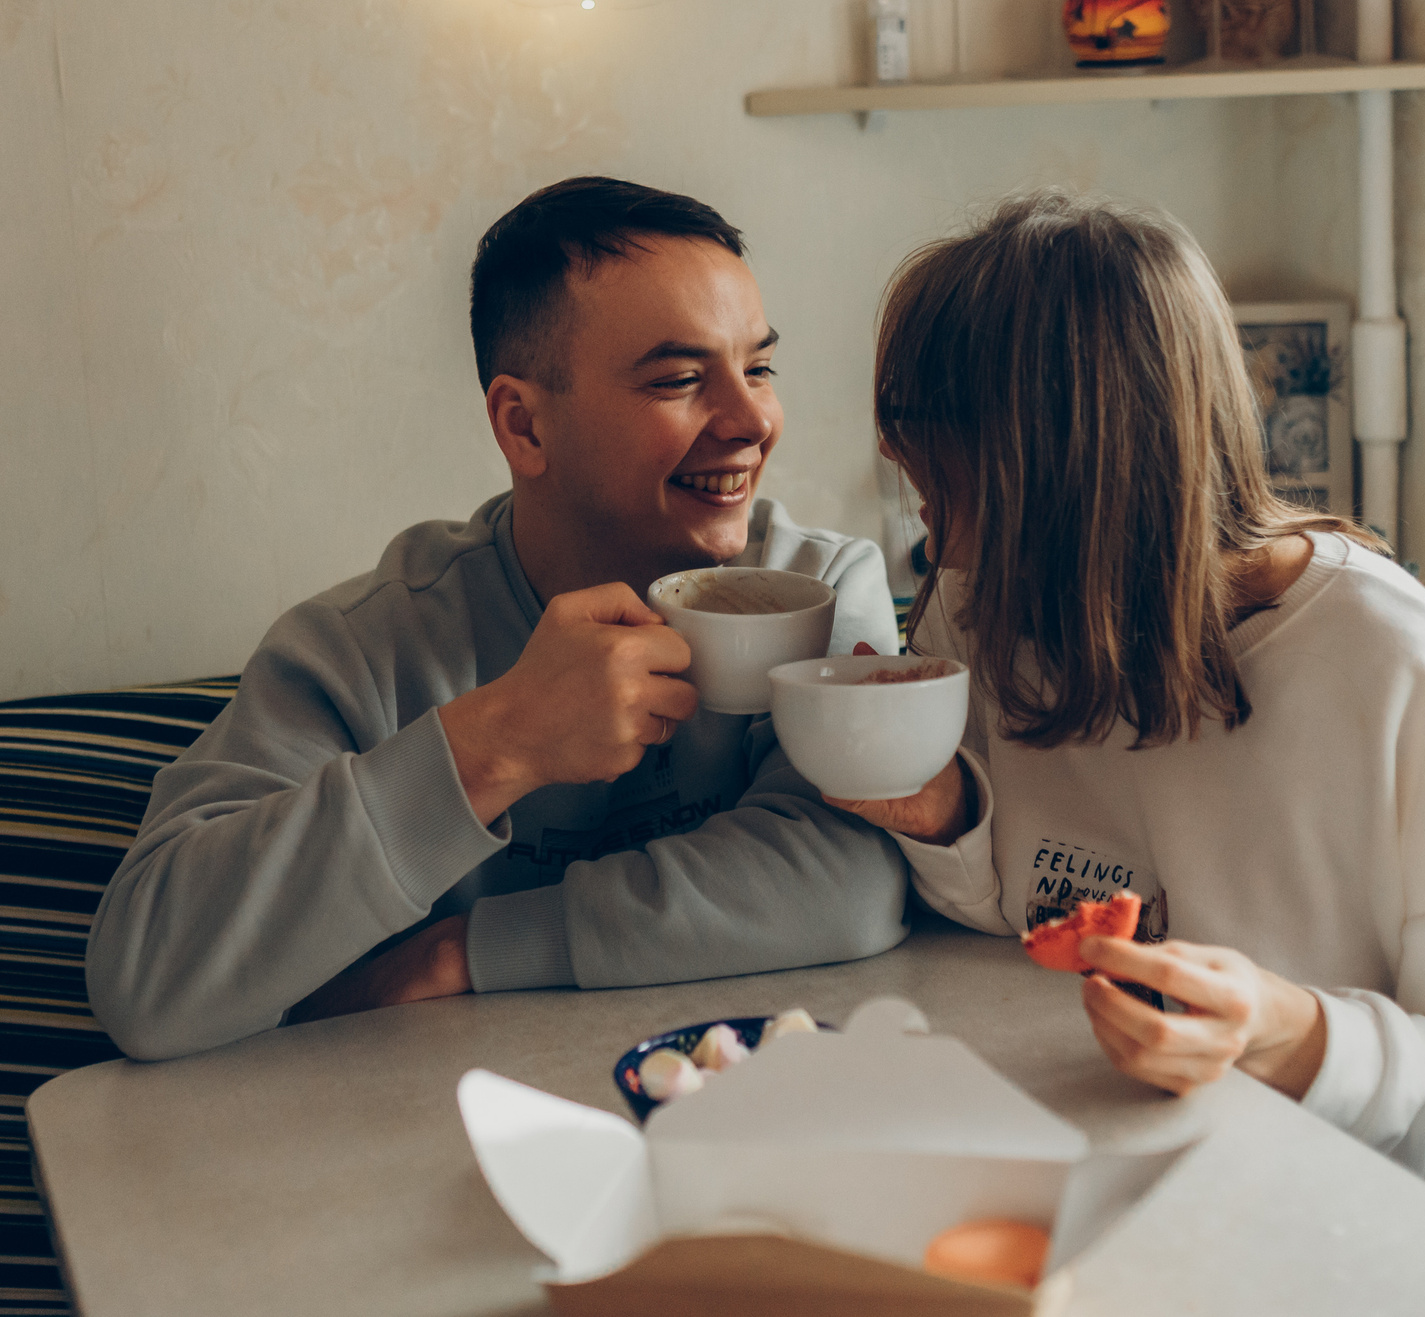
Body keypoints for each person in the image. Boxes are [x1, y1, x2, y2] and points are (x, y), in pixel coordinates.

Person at [836, 191, 1425, 1278]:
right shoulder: (991, 603)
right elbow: (1030, 909)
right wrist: (948, 816)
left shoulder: (1389, 667)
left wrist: (1294, 1034)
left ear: (1059, 469)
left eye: (936, 463)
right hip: (1154, 1226)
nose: (909, 489)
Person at [87, 177, 908, 1061]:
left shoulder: (818, 585)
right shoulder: (363, 647)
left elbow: (855, 879)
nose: (752, 420)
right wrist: (495, 742)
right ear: (524, 426)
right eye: (679, 379)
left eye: (758, 368)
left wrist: (465, 950)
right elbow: (148, 980)